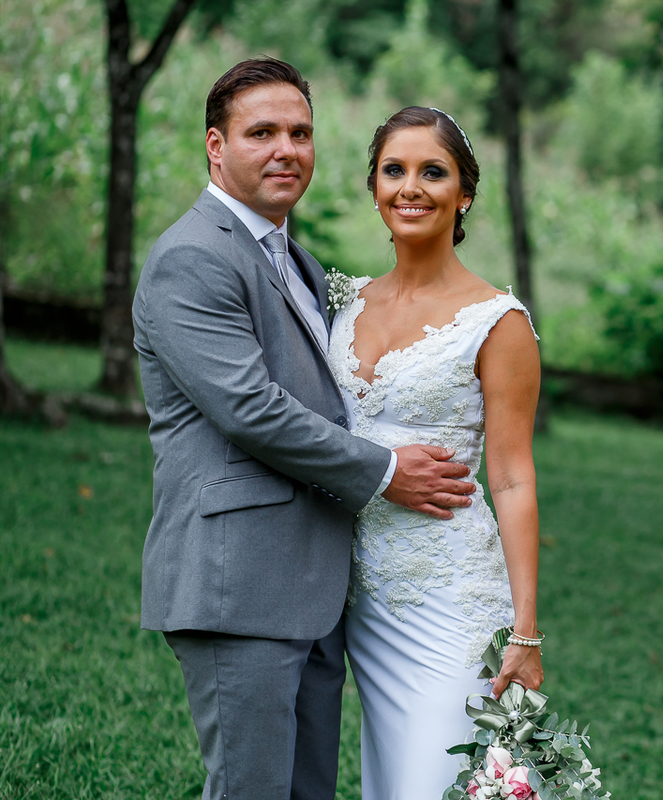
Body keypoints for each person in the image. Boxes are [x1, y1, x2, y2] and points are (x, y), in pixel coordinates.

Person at [132, 60, 478, 800]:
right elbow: (250, 408)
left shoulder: (298, 261)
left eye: (300, 132)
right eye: (262, 133)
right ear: (216, 146)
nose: (286, 149)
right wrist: (387, 470)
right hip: (239, 582)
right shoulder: (192, 258)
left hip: (311, 587)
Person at [327, 107, 543, 799]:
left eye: (433, 172)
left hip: (448, 597)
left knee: (436, 781)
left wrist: (526, 632)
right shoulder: (343, 303)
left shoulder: (497, 322)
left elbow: (513, 479)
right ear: (374, 187)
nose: (411, 187)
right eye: (394, 170)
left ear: (464, 193)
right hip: (358, 597)